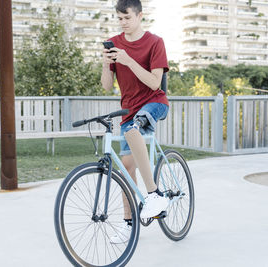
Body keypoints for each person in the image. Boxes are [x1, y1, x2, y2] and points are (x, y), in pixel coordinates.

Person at [100, 0, 170, 244]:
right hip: (128, 110)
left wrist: (128, 60)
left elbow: (154, 83)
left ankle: (154, 194)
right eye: (119, 19)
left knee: (132, 128)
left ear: (140, 15)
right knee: (126, 170)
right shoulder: (115, 43)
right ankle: (128, 224)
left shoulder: (155, 42)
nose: (122, 23)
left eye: (127, 18)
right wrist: (106, 62)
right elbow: (107, 86)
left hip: (155, 103)